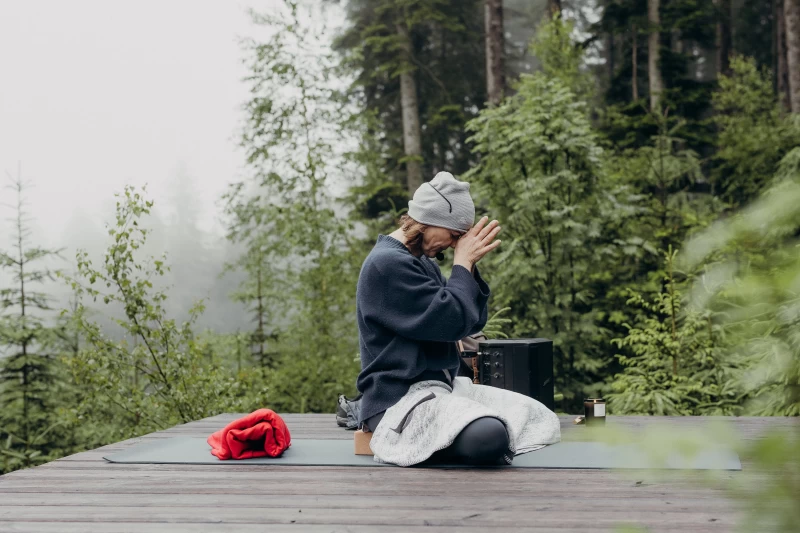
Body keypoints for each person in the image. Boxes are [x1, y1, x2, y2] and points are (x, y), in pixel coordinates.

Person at [355, 171, 510, 465]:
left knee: (527, 412)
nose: (454, 245)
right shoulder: (386, 264)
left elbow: (470, 322)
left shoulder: (422, 262)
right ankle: (413, 439)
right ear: (429, 221)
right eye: (454, 235)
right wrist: (462, 263)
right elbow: (450, 321)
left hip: (436, 391)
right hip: (398, 399)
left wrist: (469, 267)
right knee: (491, 436)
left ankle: (441, 437)